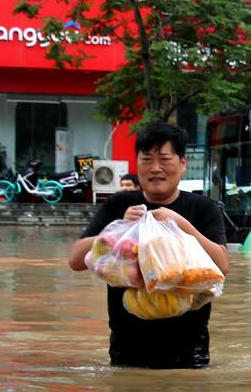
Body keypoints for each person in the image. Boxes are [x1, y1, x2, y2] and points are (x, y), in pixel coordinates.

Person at [68, 123, 230, 369]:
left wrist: (182, 224)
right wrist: (119, 229)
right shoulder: (118, 205)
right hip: (127, 350)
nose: (156, 168)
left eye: (165, 159)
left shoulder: (202, 208)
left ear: (183, 163)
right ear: (137, 163)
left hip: (189, 352)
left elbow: (222, 266)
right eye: (147, 159)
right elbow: (76, 260)